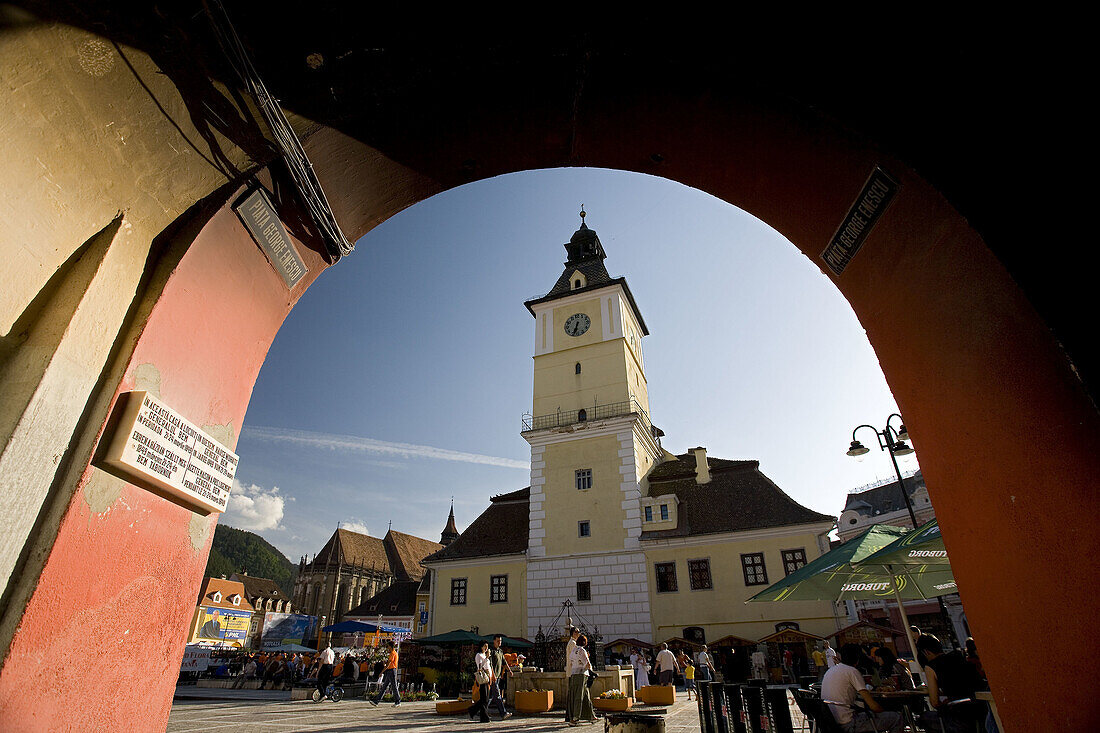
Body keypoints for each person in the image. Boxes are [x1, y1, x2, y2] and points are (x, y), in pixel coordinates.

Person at [821, 643, 903, 732]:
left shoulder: (830, 671)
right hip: (849, 723)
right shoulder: (852, 671)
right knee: (896, 718)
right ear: (858, 658)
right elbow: (873, 706)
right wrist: (885, 710)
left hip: (830, 722)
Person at [915, 634, 986, 733]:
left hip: (958, 715)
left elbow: (934, 702)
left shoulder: (931, 667)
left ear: (926, 652)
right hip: (981, 708)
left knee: (923, 718)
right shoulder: (959, 656)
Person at [567, 634, 597, 726]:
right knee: (579, 697)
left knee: (585, 695)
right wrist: (591, 671)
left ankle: (592, 716)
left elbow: (571, 661)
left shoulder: (573, 650)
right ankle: (575, 718)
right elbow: (587, 664)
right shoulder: (582, 650)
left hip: (574, 675)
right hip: (582, 675)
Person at [487, 634, 513, 720]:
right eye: (498, 641)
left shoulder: (500, 651)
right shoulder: (491, 651)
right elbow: (489, 665)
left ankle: (479, 710)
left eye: (500, 641)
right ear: (494, 641)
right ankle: (503, 713)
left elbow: (504, 662)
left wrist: (509, 670)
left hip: (498, 677)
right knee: (497, 695)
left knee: (490, 697)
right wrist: (493, 675)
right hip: (492, 677)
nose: (499, 643)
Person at [468, 641, 492, 723]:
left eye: (487, 647)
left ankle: (473, 710)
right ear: (481, 647)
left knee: (485, 698)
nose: (486, 648)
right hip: (482, 677)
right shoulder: (478, 655)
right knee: (484, 698)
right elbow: (480, 667)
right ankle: (484, 716)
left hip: (488, 677)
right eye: (485, 646)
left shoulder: (485, 656)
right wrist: (486, 658)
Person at [563, 627, 580, 722]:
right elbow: (575, 657)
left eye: (578, 632)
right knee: (572, 694)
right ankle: (570, 715)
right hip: (573, 671)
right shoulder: (573, 643)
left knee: (572, 694)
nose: (578, 633)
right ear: (573, 633)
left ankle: (569, 715)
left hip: (571, 671)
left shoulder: (571, 642)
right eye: (576, 632)